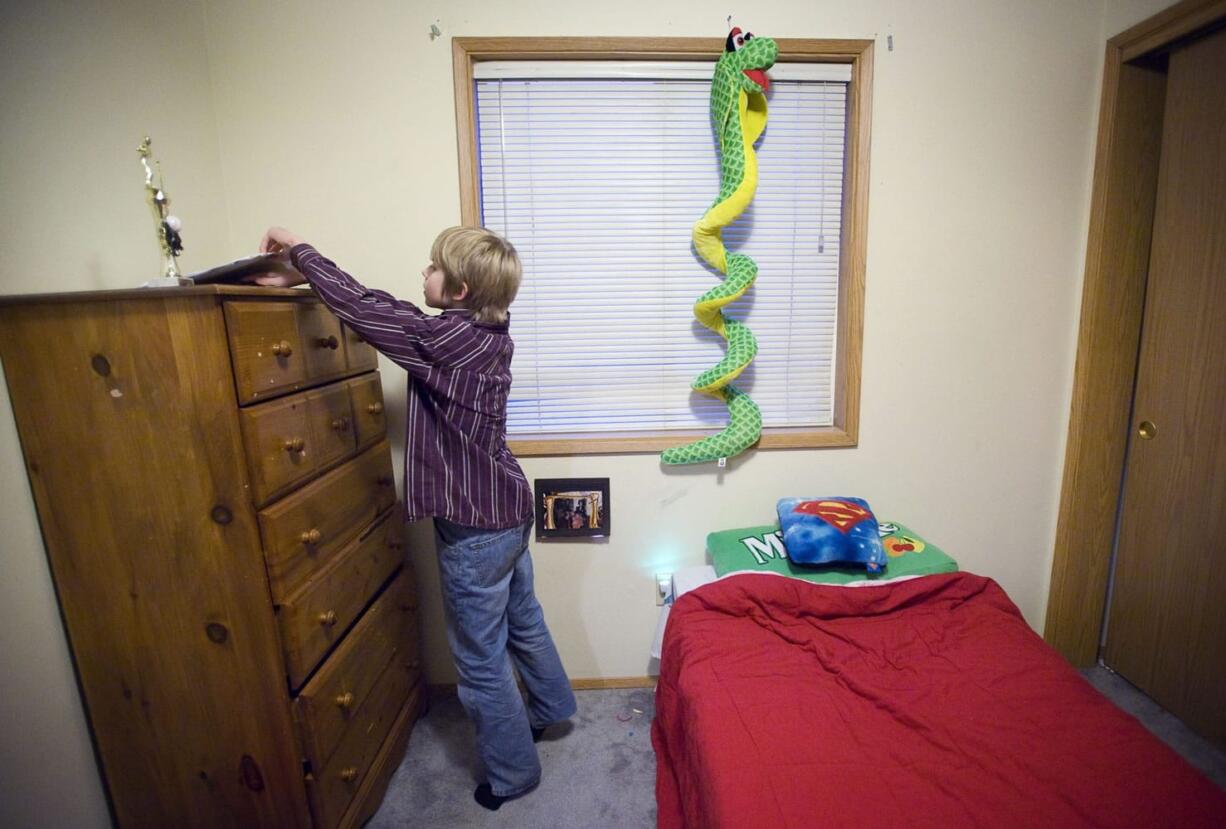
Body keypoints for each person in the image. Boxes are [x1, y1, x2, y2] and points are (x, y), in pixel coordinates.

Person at [251, 225, 576, 811]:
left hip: (476, 526)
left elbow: (364, 310)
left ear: (459, 289)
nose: (421, 274)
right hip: (507, 508)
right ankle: (554, 709)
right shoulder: (487, 332)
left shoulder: (443, 342)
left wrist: (301, 251)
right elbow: (393, 310)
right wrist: (308, 276)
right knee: (523, 616)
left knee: (479, 659)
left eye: (432, 268)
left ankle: (513, 775)